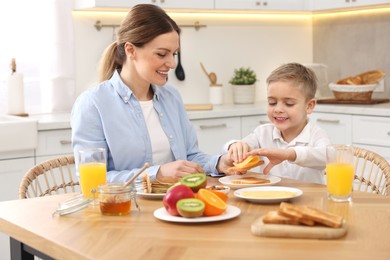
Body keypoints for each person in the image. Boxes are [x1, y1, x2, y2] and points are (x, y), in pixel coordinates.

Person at [71, 4, 232, 184]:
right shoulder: (92, 104)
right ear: (131, 50)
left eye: (174, 54)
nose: (171, 63)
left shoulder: (171, 96)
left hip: (175, 204)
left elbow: (190, 156)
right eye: (162, 54)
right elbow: (93, 182)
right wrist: (158, 173)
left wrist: (219, 163)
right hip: (123, 208)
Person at [225, 63, 330, 184]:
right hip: (270, 198)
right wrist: (236, 145)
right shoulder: (262, 133)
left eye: (289, 103)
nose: (278, 109)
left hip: (308, 201)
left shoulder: (316, 134)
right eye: (272, 102)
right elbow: (242, 146)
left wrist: (289, 154)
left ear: (309, 106)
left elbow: (326, 157)